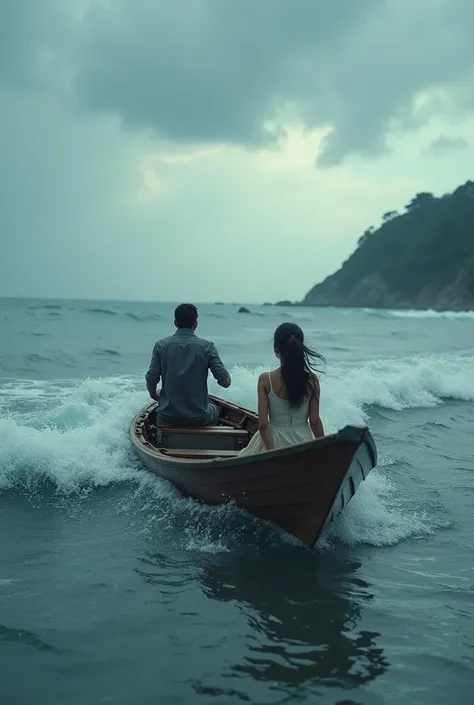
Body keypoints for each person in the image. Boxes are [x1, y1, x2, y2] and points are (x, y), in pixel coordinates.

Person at [239, 322, 325, 456]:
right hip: (303, 441)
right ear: (301, 348)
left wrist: (272, 452)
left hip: (273, 442)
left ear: (276, 349)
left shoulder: (265, 380)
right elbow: (314, 421)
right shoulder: (312, 380)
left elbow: (262, 425)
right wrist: (324, 448)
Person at [145, 303, 231, 427]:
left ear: (175, 323)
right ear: (195, 324)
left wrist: (154, 394)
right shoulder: (207, 347)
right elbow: (225, 382)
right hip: (200, 419)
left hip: (167, 418)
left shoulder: (161, 346)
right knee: (214, 408)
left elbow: (151, 377)